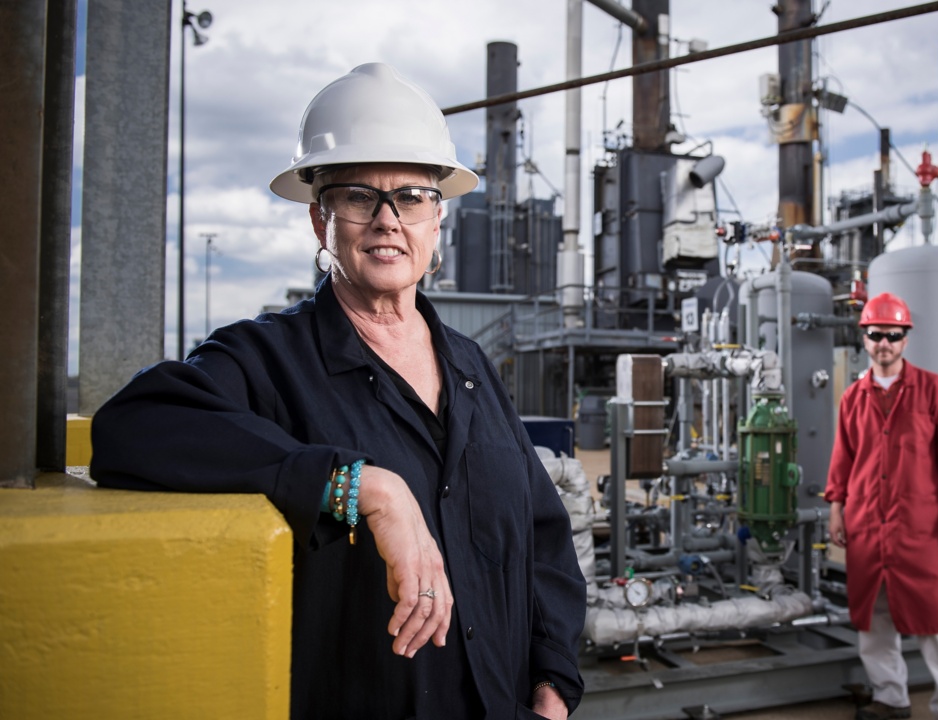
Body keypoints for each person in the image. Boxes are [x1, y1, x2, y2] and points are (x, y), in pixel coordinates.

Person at [90, 63, 585, 720]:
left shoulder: (472, 368)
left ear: (438, 221)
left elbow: (544, 536)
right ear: (321, 221)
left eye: (410, 197)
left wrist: (552, 687)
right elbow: (133, 426)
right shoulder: (269, 360)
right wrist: (362, 489)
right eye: (357, 196)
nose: (387, 220)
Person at [825, 292, 938, 720]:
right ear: (864, 339)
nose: (883, 343)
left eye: (892, 335)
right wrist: (836, 508)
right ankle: (890, 698)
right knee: (873, 618)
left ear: (905, 339)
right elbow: (843, 459)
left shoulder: (932, 390)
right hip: (867, 523)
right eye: (876, 335)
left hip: (921, 524)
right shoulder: (853, 397)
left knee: (937, 619)